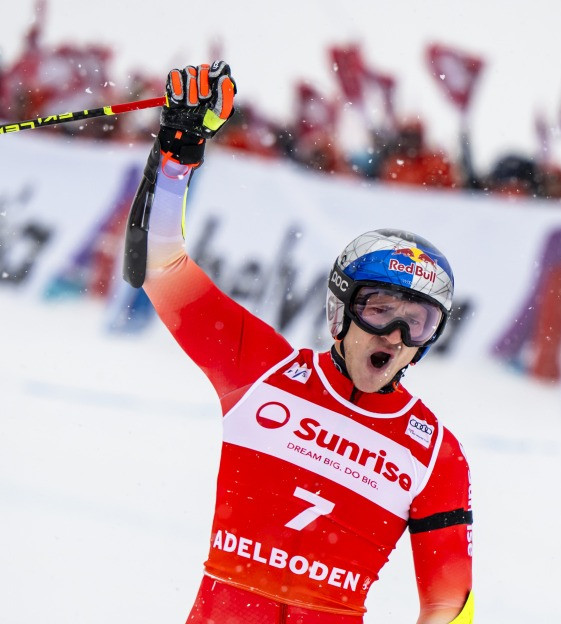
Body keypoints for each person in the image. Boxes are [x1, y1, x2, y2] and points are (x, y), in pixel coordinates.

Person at [122, 63, 474, 623]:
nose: (396, 337)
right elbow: (159, 265)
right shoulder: (260, 368)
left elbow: (448, 604)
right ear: (340, 310)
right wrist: (178, 149)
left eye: (419, 323)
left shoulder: (436, 454)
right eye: (379, 309)